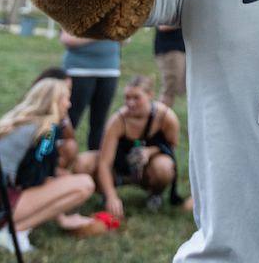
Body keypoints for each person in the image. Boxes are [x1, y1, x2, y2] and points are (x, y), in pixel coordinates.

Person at [0, 78, 100, 253]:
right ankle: (14, 232)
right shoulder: (46, 130)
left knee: (62, 177)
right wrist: (62, 217)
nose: (69, 104)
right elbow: (35, 176)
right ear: (53, 102)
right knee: (84, 183)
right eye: (65, 98)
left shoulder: (20, 122)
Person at [75, 75, 184, 218]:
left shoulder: (165, 117)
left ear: (150, 95)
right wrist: (111, 196)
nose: (130, 103)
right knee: (83, 162)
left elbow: (172, 147)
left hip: (148, 169)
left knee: (164, 166)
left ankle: (155, 194)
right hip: (119, 167)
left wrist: (150, 151)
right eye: (127, 97)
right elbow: (104, 162)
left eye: (136, 98)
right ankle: (104, 192)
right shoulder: (118, 120)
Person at [60, 30, 122, 150]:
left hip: (109, 70)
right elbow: (67, 39)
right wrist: (102, 30)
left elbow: (125, 38)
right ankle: (56, 160)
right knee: (69, 119)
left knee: (99, 123)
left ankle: (93, 162)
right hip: (79, 70)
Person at [153, 26, 186, 107]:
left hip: (184, 47)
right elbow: (162, 26)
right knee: (169, 89)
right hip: (170, 48)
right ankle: (160, 118)